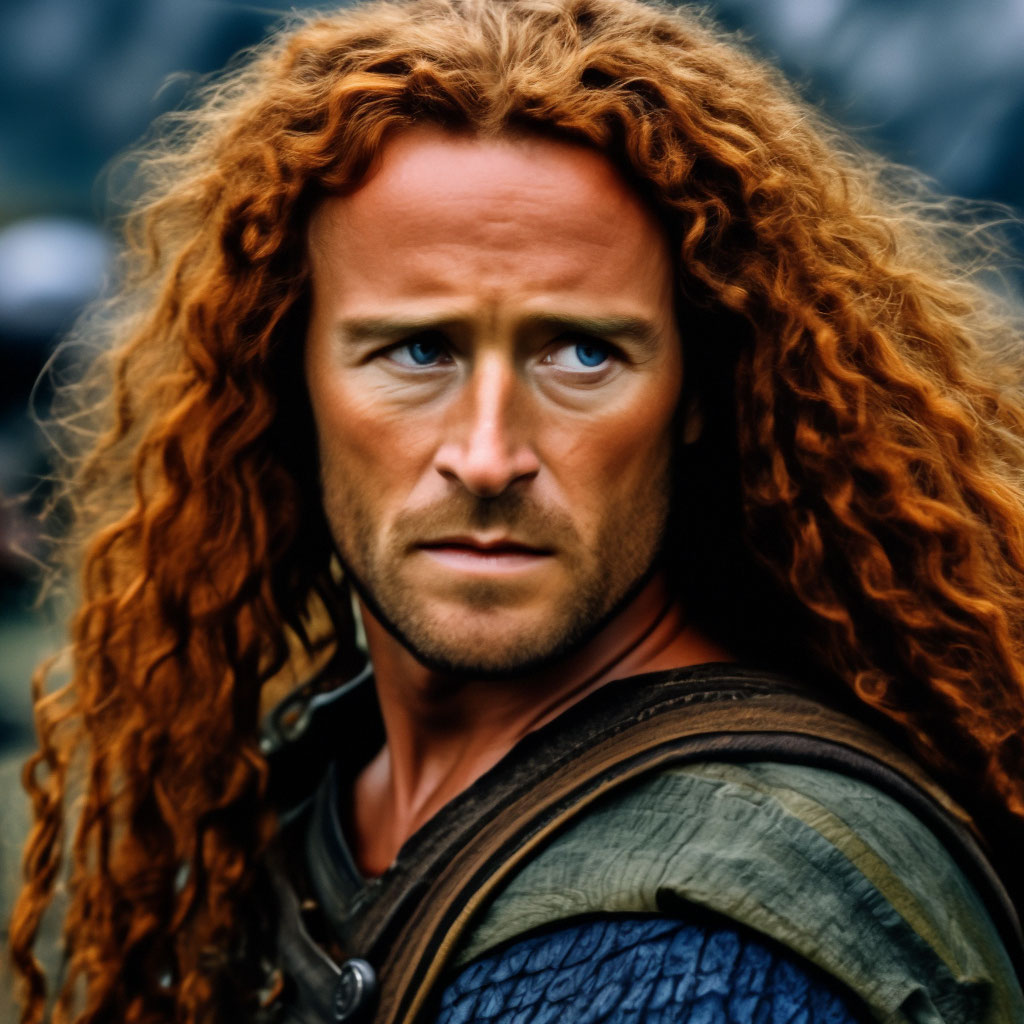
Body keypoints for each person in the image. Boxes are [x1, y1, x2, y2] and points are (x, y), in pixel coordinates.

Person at [5, 0, 1024, 1020]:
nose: (488, 457)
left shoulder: (696, 958)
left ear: (699, 393)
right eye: (419, 350)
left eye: (582, 353)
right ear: (288, 377)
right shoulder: (294, 789)